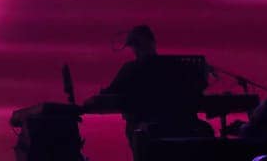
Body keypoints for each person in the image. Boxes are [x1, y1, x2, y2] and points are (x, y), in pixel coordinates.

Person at [83, 25, 210, 159]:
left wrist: (92, 101)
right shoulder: (178, 67)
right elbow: (199, 88)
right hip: (181, 128)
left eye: (136, 45)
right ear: (153, 43)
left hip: (149, 131)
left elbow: (109, 95)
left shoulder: (131, 69)